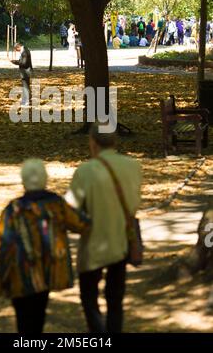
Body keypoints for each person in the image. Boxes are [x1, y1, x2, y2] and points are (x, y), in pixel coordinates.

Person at [0, 159, 90, 334]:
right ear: (45, 179)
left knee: (23, 322)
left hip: (20, 276)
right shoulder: (56, 204)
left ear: (23, 181)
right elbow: (81, 224)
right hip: (46, 275)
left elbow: (3, 248)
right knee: (38, 319)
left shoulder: (12, 210)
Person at [65, 122, 142, 333]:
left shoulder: (85, 171)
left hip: (93, 242)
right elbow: (134, 204)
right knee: (115, 298)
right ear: (115, 141)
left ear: (92, 142)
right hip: (122, 240)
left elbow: (71, 209)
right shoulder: (133, 166)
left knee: (89, 297)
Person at [11, 43, 33, 107]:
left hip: (25, 72)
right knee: (26, 86)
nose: (16, 51)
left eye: (16, 50)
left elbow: (23, 63)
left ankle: (26, 102)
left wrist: (15, 62)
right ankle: (27, 100)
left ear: (18, 47)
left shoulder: (24, 52)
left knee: (25, 87)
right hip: (26, 71)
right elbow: (23, 61)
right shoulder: (25, 50)